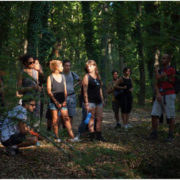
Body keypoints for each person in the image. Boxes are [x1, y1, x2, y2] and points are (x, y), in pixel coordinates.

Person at [47, 60, 79, 142]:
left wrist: (64, 101)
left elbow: (65, 91)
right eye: (61, 66)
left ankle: (72, 136)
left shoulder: (63, 77)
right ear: (56, 67)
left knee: (66, 118)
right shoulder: (50, 77)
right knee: (55, 119)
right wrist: (56, 102)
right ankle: (57, 137)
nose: (63, 67)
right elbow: (49, 92)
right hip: (54, 102)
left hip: (63, 101)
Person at [149, 54, 176, 142]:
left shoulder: (171, 70)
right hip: (160, 94)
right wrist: (158, 94)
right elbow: (156, 83)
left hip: (169, 94)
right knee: (154, 114)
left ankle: (171, 135)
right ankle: (154, 133)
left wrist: (156, 71)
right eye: (162, 58)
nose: (162, 60)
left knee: (170, 115)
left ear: (168, 60)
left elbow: (158, 77)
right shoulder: (161, 70)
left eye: (164, 58)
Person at [16, 55, 43, 127]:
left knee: (36, 115)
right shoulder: (22, 73)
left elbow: (37, 83)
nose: (33, 64)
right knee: (26, 116)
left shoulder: (35, 72)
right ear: (25, 63)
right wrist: (31, 88)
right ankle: (26, 133)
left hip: (36, 97)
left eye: (33, 62)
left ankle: (35, 132)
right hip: (27, 98)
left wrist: (38, 88)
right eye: (30, 62)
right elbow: (19, 90)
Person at [81, 60, 105, 141]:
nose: (89, 68)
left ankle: (99, 135)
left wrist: (102, 99)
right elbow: (84, 91)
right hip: (91, 101)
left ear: (95, 66)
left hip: (99, 101)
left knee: (100, 118)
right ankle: (91, 135)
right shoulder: (86, 77)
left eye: (90, 66)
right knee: (91, 118)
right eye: (88, 66)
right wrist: (86, 103)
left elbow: (100, 89)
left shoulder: (98, 76)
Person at [63, 60, 81, 125]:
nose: (68, 67)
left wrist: (74, 86)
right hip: (63, 97)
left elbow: (80, 80)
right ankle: (64, 129)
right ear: (63, 66)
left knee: (71, 115)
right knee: (63, 115)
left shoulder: (73, 74)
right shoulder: (60, 74)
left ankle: (69, 130)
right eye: (66, 66)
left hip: (71, 97)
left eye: (69, 66)